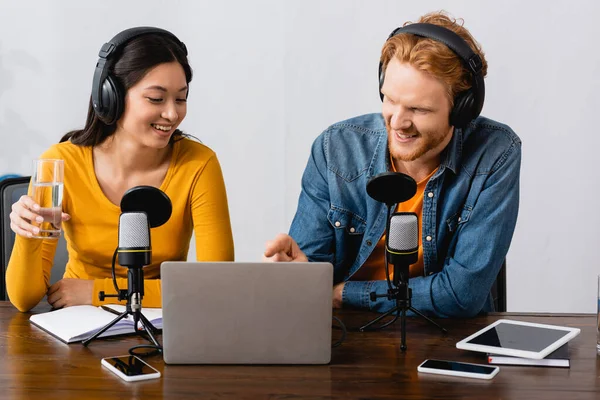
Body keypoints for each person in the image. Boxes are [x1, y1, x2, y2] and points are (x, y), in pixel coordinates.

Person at [263, 11, 521, 318]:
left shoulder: (496, 153)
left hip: (443, 339)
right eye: (389, 99)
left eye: (419, 109)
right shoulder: (336, 148)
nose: (398, 122)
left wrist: (344, 294)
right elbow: (311, 280)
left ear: (461, 110)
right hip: (346, 338)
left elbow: (461, 294)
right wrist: (299, 275)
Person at [6, 27, 234, 312]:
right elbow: (23, 299)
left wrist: (99, 291)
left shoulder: (198, 164)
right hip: (75, 322)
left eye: (181, 98)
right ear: (111, 97)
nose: (173, 114)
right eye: (156, 98)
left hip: (163, 324)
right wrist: (27, 235)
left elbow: (218, 285)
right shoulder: (61, 163)